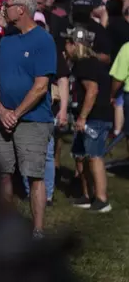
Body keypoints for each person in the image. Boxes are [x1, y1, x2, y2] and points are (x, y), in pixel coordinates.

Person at [0, 0, 56, 238]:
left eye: (7, 5)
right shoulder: (6, 40)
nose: (3, 9)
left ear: (21, 9)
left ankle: (37, 229)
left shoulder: (43, 40)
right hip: (2, 117)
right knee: (3, 173)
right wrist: (0, 109)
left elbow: (41, 87)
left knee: (34, 175)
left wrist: (14, 113)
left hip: (32, 120)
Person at [64, 27, 113, 212]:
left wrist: (83, 117)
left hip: (94, 118)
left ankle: (102, 199)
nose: (65, 47)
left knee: (94, 157)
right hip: (87, 117)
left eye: (68, 43)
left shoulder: (85, 64)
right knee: (80, 156)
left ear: (75, 45)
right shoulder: (90, 63)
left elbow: (92, 91)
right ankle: (87, 195)